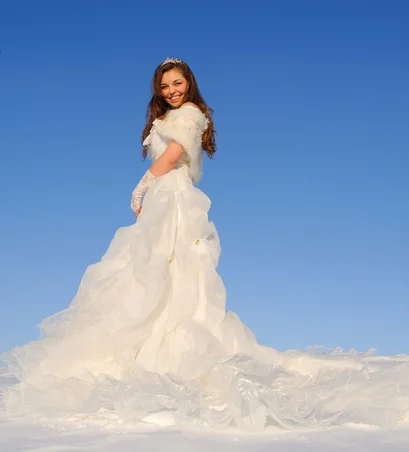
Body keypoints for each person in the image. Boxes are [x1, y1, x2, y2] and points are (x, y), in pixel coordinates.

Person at [1, 58, 408, 432]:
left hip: (173, 198)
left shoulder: (191, 114)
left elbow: (176, 152)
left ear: (189, 83)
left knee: (173, 269)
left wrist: (141, 188)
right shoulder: (171, 115)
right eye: (165, 86)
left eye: (177, 83)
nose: (172, 91)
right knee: (149, 271)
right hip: (166, 198)